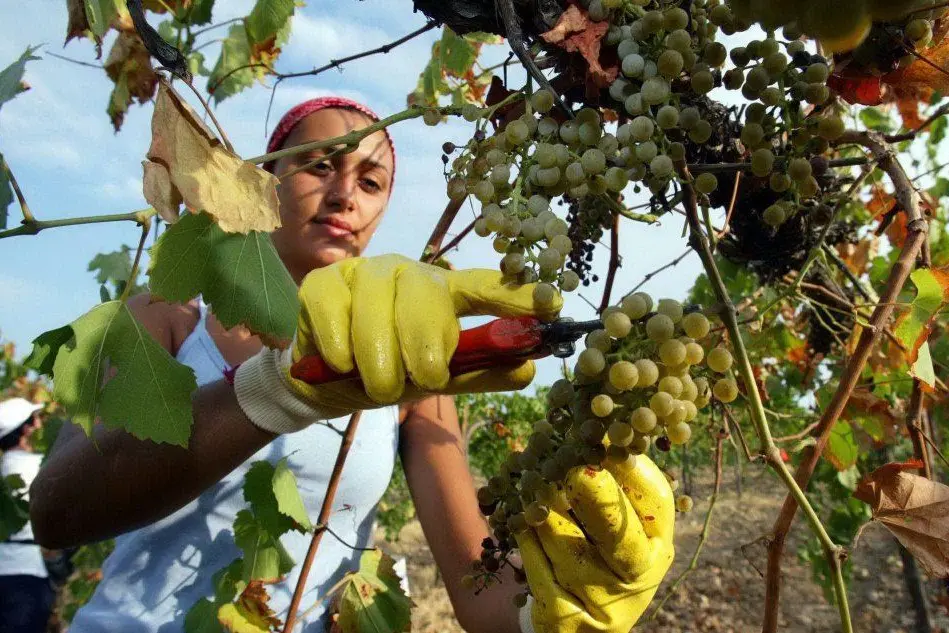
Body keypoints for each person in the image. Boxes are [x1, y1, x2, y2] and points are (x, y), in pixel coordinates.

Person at [29, 96, 674, 633]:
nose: (344, 197)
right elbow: (58, 512)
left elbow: (478, 588)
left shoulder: (410, 365)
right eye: (317, 167)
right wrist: (274, 392)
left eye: (371, 182)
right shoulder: (163, 317)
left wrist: (551, 616)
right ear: (267, 179)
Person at [0, 397, 55, 633]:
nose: (41, 425)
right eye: (37, 420)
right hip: (26, 575)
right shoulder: (41, 468)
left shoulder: (4, 469)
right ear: (26, 428)